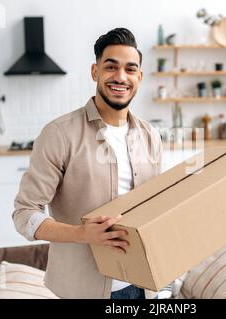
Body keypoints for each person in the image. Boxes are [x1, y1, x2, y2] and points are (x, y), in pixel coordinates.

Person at [12, 28, 163, 299]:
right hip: (82, 290)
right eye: (111, 67)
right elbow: (24, 214)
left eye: (130, 69)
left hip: (142, 286)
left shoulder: (150, 136)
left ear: (139, 77)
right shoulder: (59, 133)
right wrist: (82, 233)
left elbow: (155, 210)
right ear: (95, 72)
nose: (120, 77)